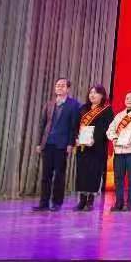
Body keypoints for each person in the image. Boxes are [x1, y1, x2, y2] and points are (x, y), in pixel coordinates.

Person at [33, 77, 81, 212]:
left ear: (68, 89)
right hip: (48, 143)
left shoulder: (74, 105)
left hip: (62, 144)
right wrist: (39, 143)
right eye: (58, 85)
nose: (59, 87)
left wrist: (71, 143)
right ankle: (43, 203)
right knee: (46, 175)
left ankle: (57, 202)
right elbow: (42, 124)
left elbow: (74, 126)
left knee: (59, 175)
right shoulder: (49, 104)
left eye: (62, 85)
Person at [73, 85, 113, 212]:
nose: (92, 95)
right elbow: (75, 126)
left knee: (93, 174)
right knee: (82, 173)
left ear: (102, 95)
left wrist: (94, 139)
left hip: (97, 148)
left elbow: (106, 128)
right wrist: (76, 138)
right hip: (82, 147)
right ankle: (81, 200)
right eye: (91, 92)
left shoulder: (107, 110)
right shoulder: (83, 108)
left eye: (96, 93)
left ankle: (90, 201)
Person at [106, 91, 131, 211]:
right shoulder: (119, 116)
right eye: (127, 98)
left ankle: (130, 203)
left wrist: (130, 140)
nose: (129, 100)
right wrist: (114, 138)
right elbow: (110, 130)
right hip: (119, 151)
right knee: (118, 178)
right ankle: (119, 202)